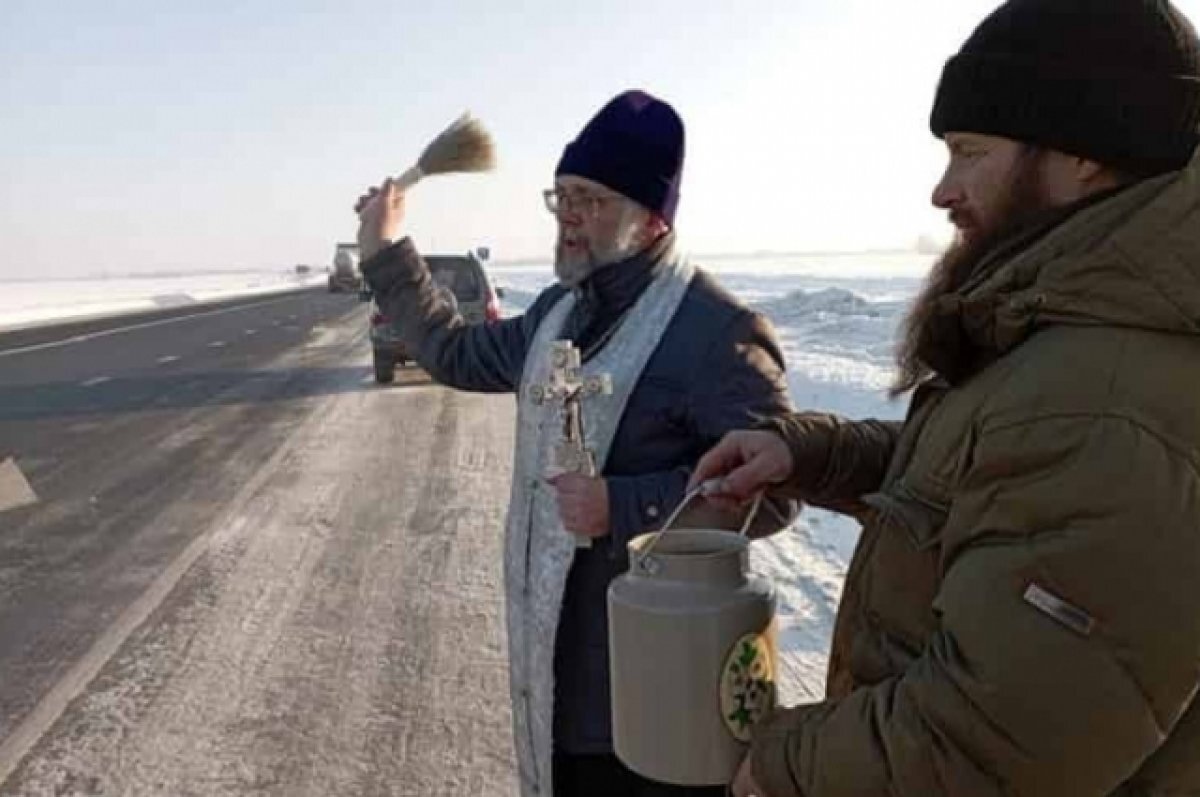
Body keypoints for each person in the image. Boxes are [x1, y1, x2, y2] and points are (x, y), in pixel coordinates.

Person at [690, 1, 1200, 795]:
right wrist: (814, 454)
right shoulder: (1077, 330)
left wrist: (780, 760)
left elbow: (990, 738)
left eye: (969, 152)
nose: (942, 189)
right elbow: (995, 481)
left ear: (1084, 155)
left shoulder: (1108, 398)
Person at [355, 89, 797, 797]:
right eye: (560, 197)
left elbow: (777, 493)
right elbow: (457, 353)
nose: (567, 220)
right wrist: (389, 254)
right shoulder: (560, 312)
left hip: (666, 693)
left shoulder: (716, 332)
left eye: (588, 200)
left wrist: (621, 506)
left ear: (653, 217)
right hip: (562, 692)